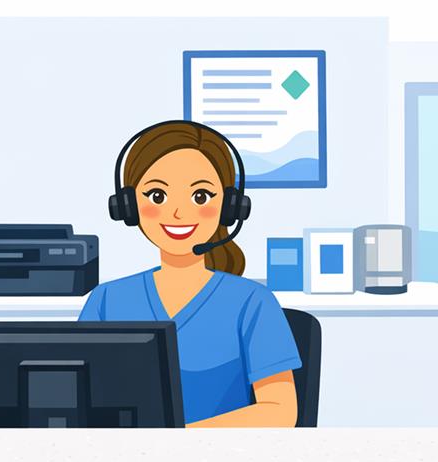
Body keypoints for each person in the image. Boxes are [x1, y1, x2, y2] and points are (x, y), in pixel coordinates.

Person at [80, 121, 301, 427]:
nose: (179, 213)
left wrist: (178, 439)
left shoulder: (252, 302)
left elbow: (280, 411)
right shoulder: (106, 300)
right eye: (158, 196)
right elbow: (80, 404)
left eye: (200, 197)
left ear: (229, 206)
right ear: (129, 205)